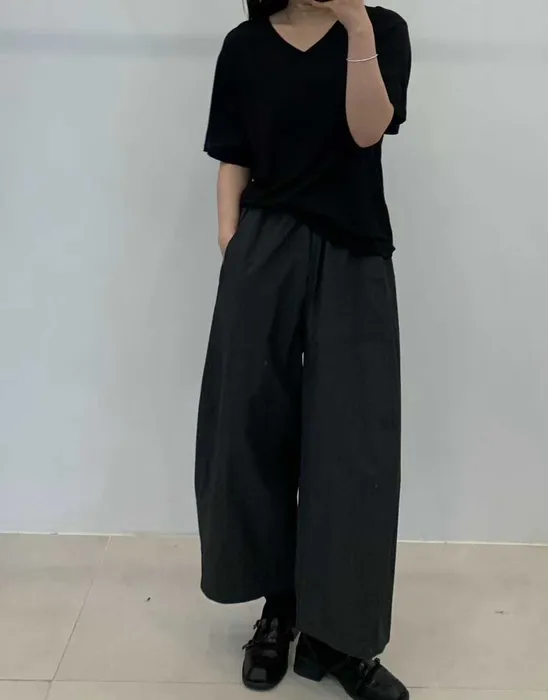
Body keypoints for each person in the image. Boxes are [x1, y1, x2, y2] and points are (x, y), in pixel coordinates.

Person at [195, 0, 411, 697]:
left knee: (354, 443)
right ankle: (279, 608)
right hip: (264, 247)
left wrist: (355, 24)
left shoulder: (382, 30)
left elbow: (366, 130)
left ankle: (338, 636)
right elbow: (233, 153)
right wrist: (231, 243)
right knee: (249, 430)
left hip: (353, 250)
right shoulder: (245, 45)